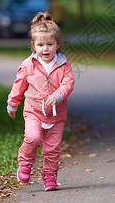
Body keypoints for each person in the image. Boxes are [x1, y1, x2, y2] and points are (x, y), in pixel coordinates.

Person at [7, 11, 74, 191]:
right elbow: (18, 85)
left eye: (50, 44)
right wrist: (13, 104)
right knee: (33, 138)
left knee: (53, 148)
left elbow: (68, 83)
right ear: (33, 45)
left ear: (57, 44)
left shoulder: (63, 64)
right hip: (33, 111)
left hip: (57, 115)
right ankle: (25, 163)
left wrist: (58, 95)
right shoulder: (28, 65)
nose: (45, 49)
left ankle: (50, 176)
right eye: (41, 44)